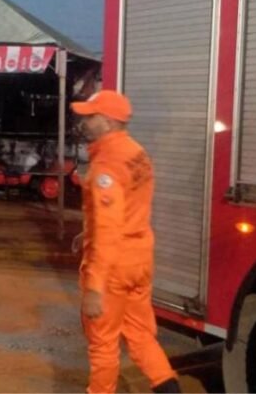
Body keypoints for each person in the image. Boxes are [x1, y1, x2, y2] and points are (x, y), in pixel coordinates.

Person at [71, 90, 181, 393]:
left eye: (90, 116)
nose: (84, 122)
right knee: (141, 336)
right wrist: (87, 232)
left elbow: (109, 229)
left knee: (103, 345)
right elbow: (129, 207)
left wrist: (95, 287)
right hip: (139, 259)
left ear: (108, 122)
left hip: (114, 267)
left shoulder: (106, 165)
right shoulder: (136, 153)